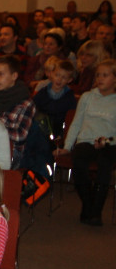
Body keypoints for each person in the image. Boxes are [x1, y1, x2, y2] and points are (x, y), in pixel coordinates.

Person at [54, 59, 116, 226]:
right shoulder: (88, 97)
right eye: (98, 75)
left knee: (105, 164)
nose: (100, 78)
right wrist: (67, 147)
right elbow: (76, 123)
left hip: (109, 143)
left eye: (105, 75)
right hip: (86, 141)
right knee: (79, 161)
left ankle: (96, 211)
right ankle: (88, 205)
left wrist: (107, 141)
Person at [0, 55, 36, 169]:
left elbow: (20, 136)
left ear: (14, 76)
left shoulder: (25, 103)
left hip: (12, 152)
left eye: (1, 74)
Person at [32, 59, 78, 139]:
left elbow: (70, 118)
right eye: (57, 75)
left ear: (69, 80)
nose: (59, 79)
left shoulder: (69, 97)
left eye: (63, 77)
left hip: (58, 132)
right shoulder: (43, 93)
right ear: (51, 74)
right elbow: (32, 108)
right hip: (41, 130)